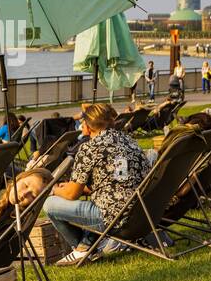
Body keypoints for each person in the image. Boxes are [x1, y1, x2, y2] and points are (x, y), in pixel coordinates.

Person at [44, 103, 151, 266]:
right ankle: (86, 245)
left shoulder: (89, 148)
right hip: (138, 211)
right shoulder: (127, 140)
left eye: (82, 122)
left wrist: (53, 189)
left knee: (49, 204)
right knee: (80, 197)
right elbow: (119, 179)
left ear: (87, 126)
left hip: (112, 217)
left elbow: (71, 194)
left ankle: (83, 249)